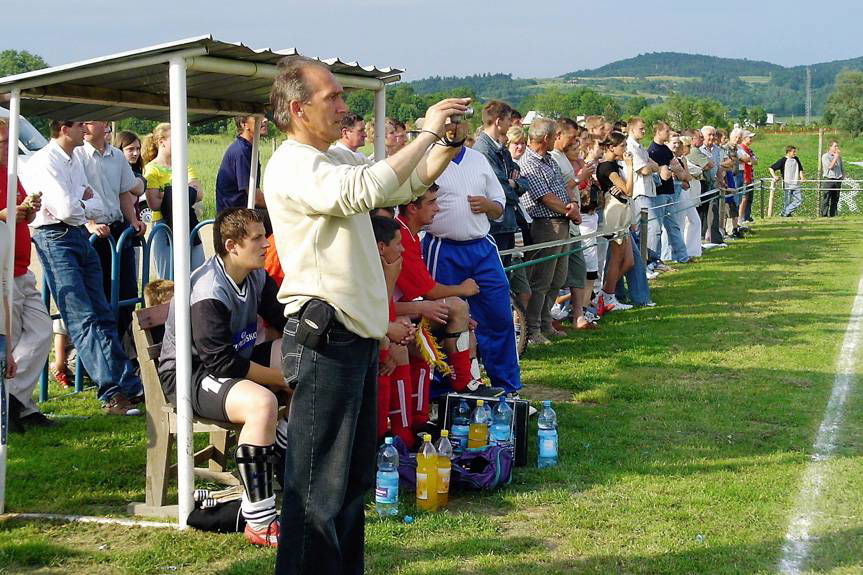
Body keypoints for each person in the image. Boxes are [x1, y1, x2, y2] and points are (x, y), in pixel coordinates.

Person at [263, 55, 470, 574]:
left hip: (349, 337)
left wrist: (443, 142)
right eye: (330, 97)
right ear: (296, 108)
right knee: (317, 487)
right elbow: (368, 190)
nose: (342, 105)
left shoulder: (331, 156)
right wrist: (424, 130)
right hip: (325, 336)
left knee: (350, 482)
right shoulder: (292, 163)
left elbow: (402, 184)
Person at [158, 208, 288, 548]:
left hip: (228, 364)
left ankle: (289, 463)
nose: (266, 244)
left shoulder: (254, 275)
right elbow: (220, 360)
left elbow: (283, 319)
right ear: (231, 246)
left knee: (302, 359)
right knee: (263, 403)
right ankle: (259, 520)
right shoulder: (208, 289)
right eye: (258, 238)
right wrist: (278, 378)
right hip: (190, 376)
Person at [24, 120, 143, 416]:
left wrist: (81, 203)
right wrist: (82, 203)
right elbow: (68, 208)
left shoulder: (74, 158)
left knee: (102, 312)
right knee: (83, 317)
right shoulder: (46, 161)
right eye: (81, 125)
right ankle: (112, 392)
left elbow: (91, 201)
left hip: (76, 233)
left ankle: (124, 385)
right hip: (55, 236)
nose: (87, 130)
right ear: (65, 129)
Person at [420, 142, 522, 394]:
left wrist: (488, 206)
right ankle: (445, 388)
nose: (453, 129)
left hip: (482, 247)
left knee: (499, 317)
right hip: (442, 247)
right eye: (448, 123)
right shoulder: (427, 159)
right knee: (443, 317)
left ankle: (507, 387)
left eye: (459, 122)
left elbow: (499, 203)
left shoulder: (477, 159)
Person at [0, 118, 52, 430]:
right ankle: (18, 405)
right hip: (3, 269)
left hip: (20, 265)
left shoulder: (10, 173)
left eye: (9, 140)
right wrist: (6, 214)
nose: (9, 146)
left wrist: (28, 208)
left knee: (41, 329)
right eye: (4, 142)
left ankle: (12, 399)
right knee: (12, 337)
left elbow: (17, 210)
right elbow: (6, 213)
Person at [75, 121, 146, 342]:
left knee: (126, 292)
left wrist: (133, 220)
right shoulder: (77, 155)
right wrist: (90, 224)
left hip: (117, 230)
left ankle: (125, 349)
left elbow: (124, 192)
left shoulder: (116, 156)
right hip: (93, 235)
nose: (84, 127)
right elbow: (74, 194)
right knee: (99, 293)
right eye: (82, 123)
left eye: (89, 122)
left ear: (103, 125)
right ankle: (98, 354)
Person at [520, 118, 580, 346]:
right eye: (555, 135)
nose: (557, 138)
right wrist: (569, 211)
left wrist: (572, 203)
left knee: (558, 278)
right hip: (546, 225)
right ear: (546, 138)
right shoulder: (528, 163)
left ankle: (546, 323)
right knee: (541, 279)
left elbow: (563, 187)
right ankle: (532, 329)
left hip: (562, 221)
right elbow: (543, 196)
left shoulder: (549, 160)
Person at [141, 123, 204, 280]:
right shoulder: (151, 169)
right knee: (168, 277)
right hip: (163, 226)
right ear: (162, 141)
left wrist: (166, 193)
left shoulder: (183, 165)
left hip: (188, 222)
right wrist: (184, 191)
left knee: (198, 271)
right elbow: (154, 203)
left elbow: (199, 193)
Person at [549, 118, 592, 330]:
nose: (575, 141)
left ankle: (578, 314)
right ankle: (545, 318)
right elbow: (556, 190)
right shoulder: (552, 159)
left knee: (577, 269)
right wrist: (578, 178)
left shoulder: (563, 157)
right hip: (561, 220)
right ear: (558, 135)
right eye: (571, 137)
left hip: (572, 222)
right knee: (554, 275)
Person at [472, 100, 527, 264]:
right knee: (497, 276)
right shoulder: (483, 150)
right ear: (498, 121)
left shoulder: (502, 149)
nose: (511, 124)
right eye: (508, 119)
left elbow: (523, 181)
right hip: (495, 225)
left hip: (506, 223)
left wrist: (515, 184)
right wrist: (511, 186)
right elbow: (498, 189)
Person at [597, 132, 635, 313]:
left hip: (622, 212)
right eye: (622, 146)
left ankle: (603, 293)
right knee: (617, 257)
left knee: (628, 261)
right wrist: (630, 166)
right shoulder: (606, 167)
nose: (625, 150)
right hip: (614, 213)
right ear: (611, 147)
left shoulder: (613, 165)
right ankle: (606, 296)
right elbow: (628, 190)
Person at [215, 116, 271, 233]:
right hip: (232, 218)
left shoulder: (249, 148)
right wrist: (280, 203)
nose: (265, 120)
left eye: (264, 117)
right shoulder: (241, 151)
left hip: (242, 211)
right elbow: (255, 197)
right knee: (283, 218)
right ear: (244, 124)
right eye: (258, 118)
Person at [648, 122, 689, 264]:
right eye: (666, 131)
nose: (668, 133)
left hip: (670, 191)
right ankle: (656, 259)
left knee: (673, 226)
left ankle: (682, 256)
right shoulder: (652, 151)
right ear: (658, 132)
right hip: (659, 193)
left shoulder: (665, 149)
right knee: (656, 228)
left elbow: (676, 167)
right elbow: (661, 174)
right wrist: (665, 170)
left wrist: (681, 173)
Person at [770, 146, 805, 217]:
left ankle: (784, 213)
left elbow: (800, 169)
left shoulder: (796, 159)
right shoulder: (783, 160)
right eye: (793, 152)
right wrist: (774, 176)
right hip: (787, 184)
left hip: (796, 184)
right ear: (788, 152)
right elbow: (771, 168)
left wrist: (802, 177)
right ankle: (786, 214)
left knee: (798, 201)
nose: (795, 153)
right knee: (787, 202)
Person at [821, 140, 844, 217]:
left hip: (837, 180)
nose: (837, 148)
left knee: (835, 199)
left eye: (837, 146)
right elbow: (830, 167)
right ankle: (824, 215)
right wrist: (835, 157)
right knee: (826, 198)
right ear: (830, 147)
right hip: (829, 179)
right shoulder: (825, 156)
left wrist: (842, 176)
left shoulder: (838, 157)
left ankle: (833, 215)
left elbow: (841, 168)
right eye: (835, 146)